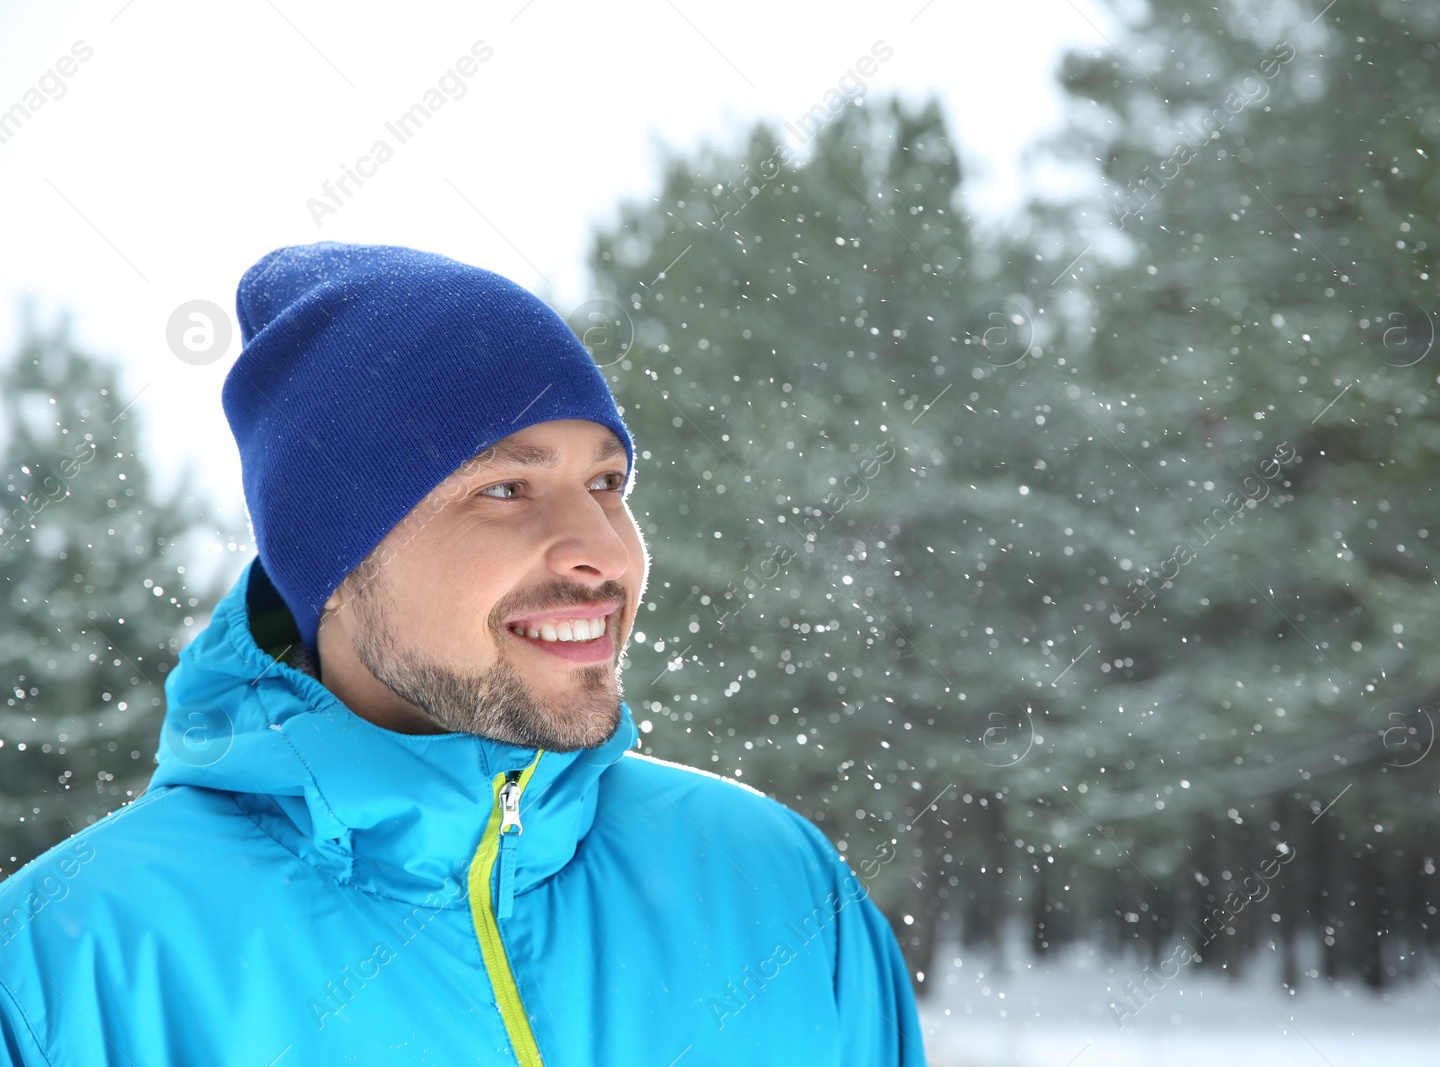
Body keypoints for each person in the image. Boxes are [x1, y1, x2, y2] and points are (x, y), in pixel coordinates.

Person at [0, 243, 927, 1066]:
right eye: (506, 487)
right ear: (336, 556)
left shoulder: (778, 886)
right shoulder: (69, 968)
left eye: (606, 481)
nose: (603, 550)